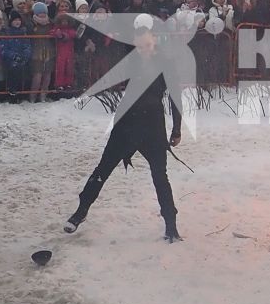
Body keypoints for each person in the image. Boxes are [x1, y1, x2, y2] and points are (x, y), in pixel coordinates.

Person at [66, 14, 183, 241]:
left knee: (160, 176)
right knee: (103, 170)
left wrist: (176, 129)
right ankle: (80, 212)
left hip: (152, 127)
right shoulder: (130, 59)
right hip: (126, 124)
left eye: (146, 40)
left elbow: (175, 98)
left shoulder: (166, 63)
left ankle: (171, 224)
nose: (142, 46)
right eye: (138, 41)